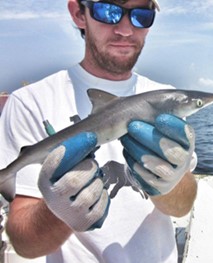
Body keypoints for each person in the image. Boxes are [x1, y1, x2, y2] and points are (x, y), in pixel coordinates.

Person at [0, 0, 198, 262]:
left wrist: (169, 181)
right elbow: (25, 244)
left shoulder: (168, 100)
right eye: (109, 11)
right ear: (79, 13)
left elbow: (182, 207)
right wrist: (58, 210)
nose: (126, 30)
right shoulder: (31, 102)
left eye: (141, 15)